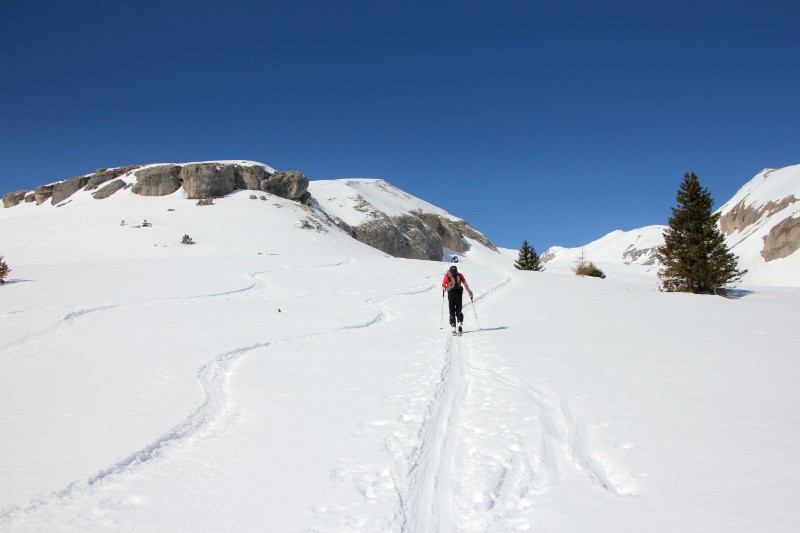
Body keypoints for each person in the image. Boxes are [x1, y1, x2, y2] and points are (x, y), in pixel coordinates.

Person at [441, 264, 473, 333]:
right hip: (459, 293)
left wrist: (444, 288)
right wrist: (469, 292)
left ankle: (453, 326)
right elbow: (465, 284)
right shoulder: (460, 275)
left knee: (451, 309)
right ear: (456, 269)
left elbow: (443, 286)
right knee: (459, 308)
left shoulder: (447, 275)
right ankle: (459, 322)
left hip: (451, 294)